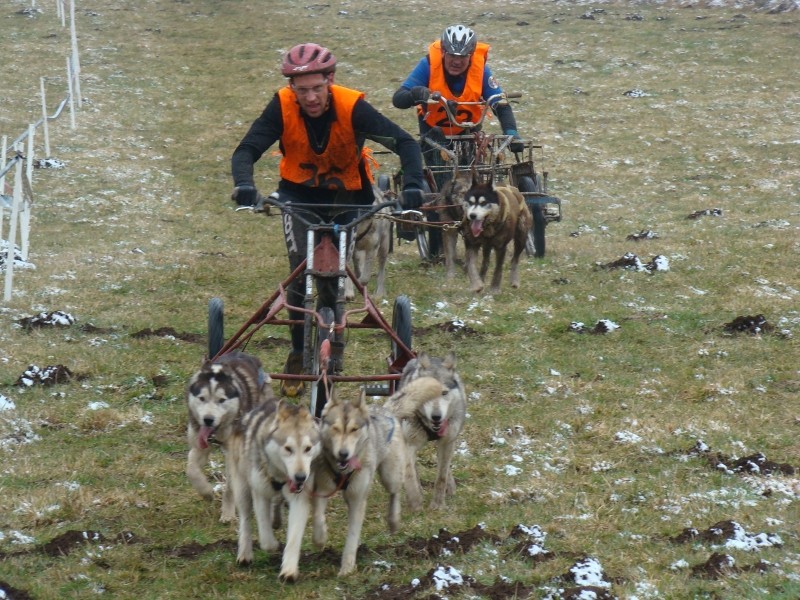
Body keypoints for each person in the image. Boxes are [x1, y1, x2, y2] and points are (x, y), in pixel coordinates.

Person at [231, 42, 425, 398]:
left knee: (333, 273)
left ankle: (334, 345)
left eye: (317, 88)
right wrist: (244, 184)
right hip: (298, 195)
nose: (310, 98)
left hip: (348, 198)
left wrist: (412, 186)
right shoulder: (281, 106)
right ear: (292, 87)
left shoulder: (353, 108)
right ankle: (296, 352)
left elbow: (405, 143)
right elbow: (247, 149)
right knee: (299, 267)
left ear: (330, 81)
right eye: (301, 90)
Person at [392, 24, 525, 186]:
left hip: (468, 131)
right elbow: (398, 99)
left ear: (471, 55)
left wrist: (512, 133)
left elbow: (500, 103)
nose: (456, 61)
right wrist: (416, 94)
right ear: (443, 52)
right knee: (442, 180)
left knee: (471, 178)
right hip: (434, 131)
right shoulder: (428, 65)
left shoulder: (480, 70)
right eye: (451, 55)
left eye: (463, 56)